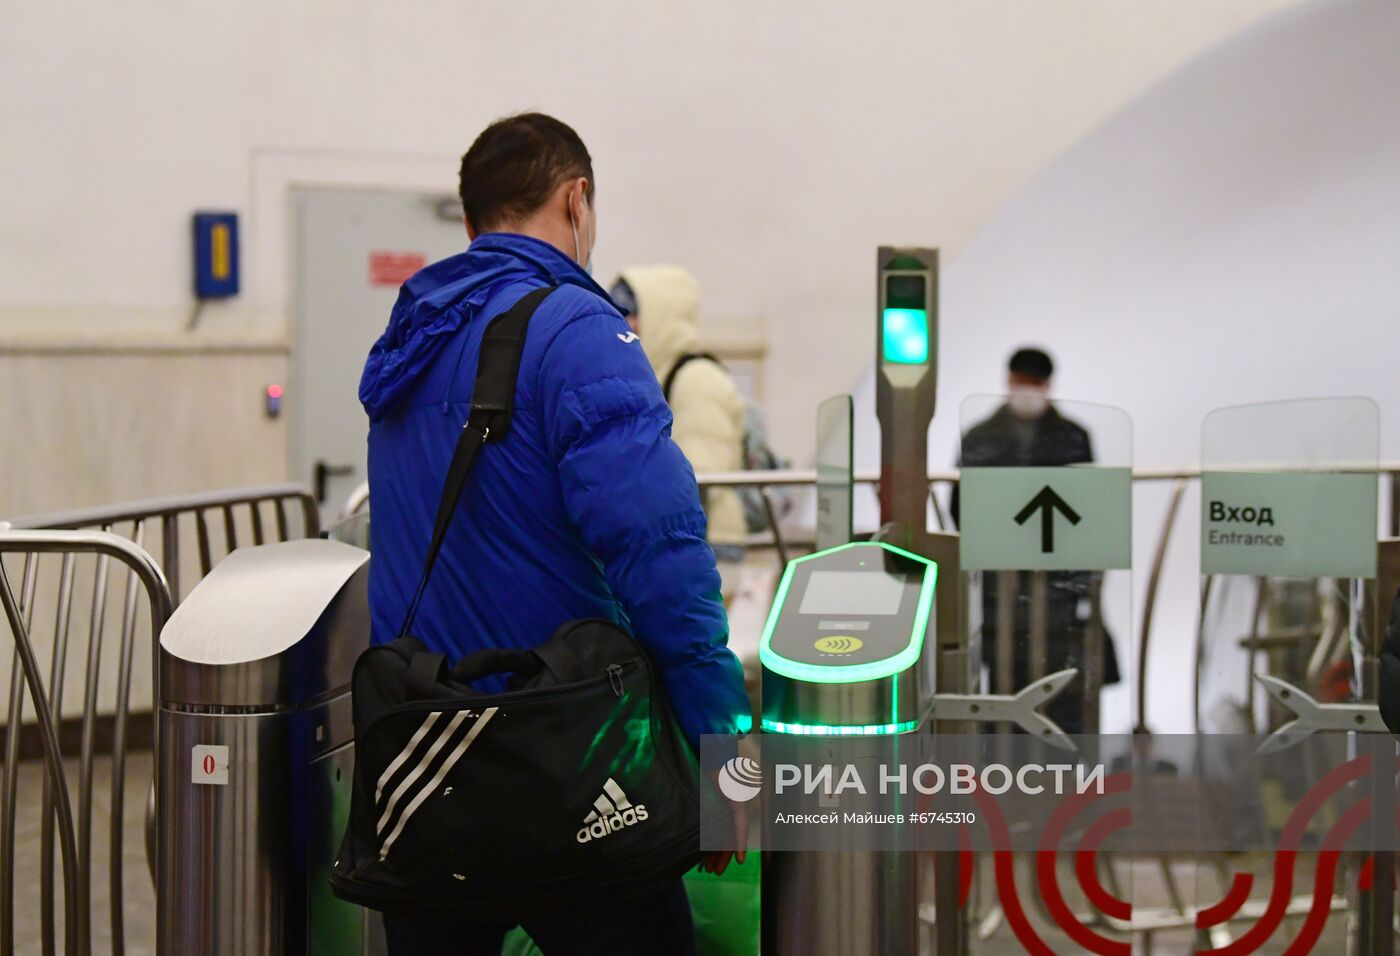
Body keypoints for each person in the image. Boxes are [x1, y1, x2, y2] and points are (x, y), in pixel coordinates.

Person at [359, 113, 749, 956]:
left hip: (428, 757)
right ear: (577, 201)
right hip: (570, 756)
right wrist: (726, 749)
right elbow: (661, 556)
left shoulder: (409, 339)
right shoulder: (579, 331)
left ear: (471, 223)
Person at [951, 347, 1120, 734]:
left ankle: (1061, 783)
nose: (1027, 391)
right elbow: (962, 511)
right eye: (1022, 383)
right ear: (1008, 382)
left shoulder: (1073, 437)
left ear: (1048, 385)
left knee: (1062, 684)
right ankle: (1005, 778)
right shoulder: (978, 438)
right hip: (1000, 584)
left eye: (1035, 384)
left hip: (1058, 584)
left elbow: (1087, 512)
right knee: (1002, 685)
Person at [609, 266, 748, 603]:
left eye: (630, 315)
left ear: (658, 318)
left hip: (710, 543)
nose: (622, 327)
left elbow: (702, 474)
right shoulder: (659, 376)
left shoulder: (696, 379)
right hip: (687, 540)